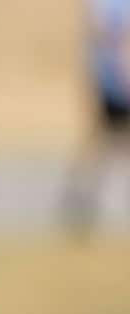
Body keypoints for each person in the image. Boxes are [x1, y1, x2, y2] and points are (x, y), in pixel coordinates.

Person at [63, 0, 130, 230]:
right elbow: (107, 34)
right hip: (114, 84)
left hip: (113, 82)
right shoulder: (108, 5)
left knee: (102, 143)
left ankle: (80, 200)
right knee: (101, 143)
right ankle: (80, 201)